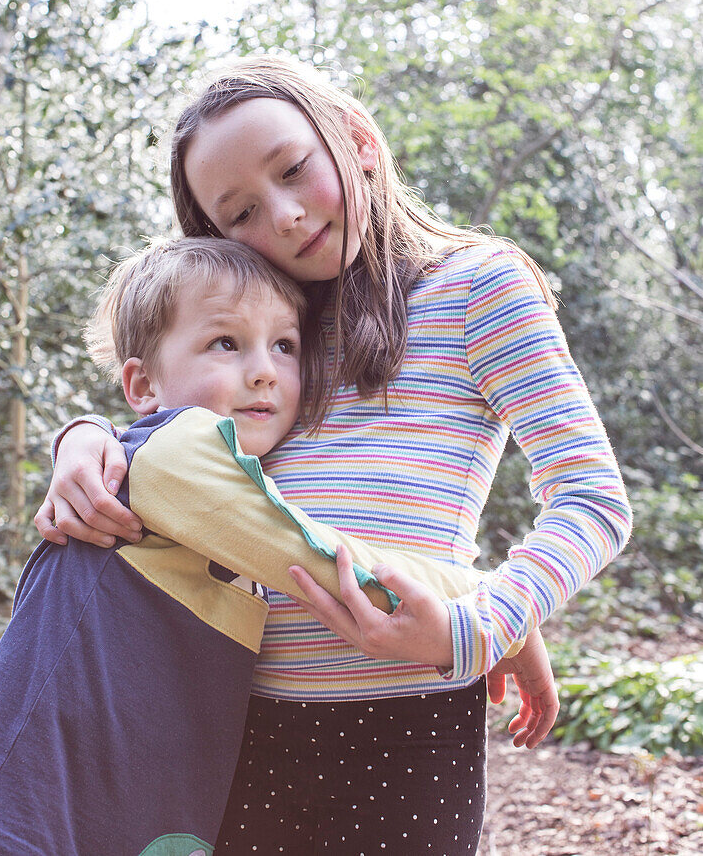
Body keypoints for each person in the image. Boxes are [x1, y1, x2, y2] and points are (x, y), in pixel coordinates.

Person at [36, 56, 632, 855]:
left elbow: (591, 498)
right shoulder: (269, 336)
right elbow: (180, 437)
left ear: (353, 140)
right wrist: (86, 438)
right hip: (231, 717)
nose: (280, 216)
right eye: (239, 211)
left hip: (404, 725)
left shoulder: (475, 288)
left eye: (293, 170)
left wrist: (487, 625)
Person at [0, 236, 550, 856]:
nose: (264, 369)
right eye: (226, 343)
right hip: (30, 793)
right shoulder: (180, 453)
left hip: (96, 793)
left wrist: (82, 433)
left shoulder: (159, 464)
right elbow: (331, 563)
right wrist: (503, 615)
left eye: (285, 346)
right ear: (141, 384)